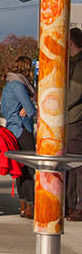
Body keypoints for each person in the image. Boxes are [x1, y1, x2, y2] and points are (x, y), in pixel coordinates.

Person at [0, 55, 37, 219]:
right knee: (29, 167)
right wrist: (29, 105)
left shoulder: (9, 85)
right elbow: (31, 111)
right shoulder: (19, 86)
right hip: (22, 129)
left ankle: (22, 204)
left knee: (20, 168)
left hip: (12, 129)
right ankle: (30, 204)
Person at [67, 28, 82, 221]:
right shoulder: (73, 63)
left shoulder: (79, 65)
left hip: (74, 118)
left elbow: (74, 92)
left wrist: (55, 102)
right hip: (69, 118)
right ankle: (69, 203)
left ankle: (77, 205)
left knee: (77, 164)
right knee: (69, 164)